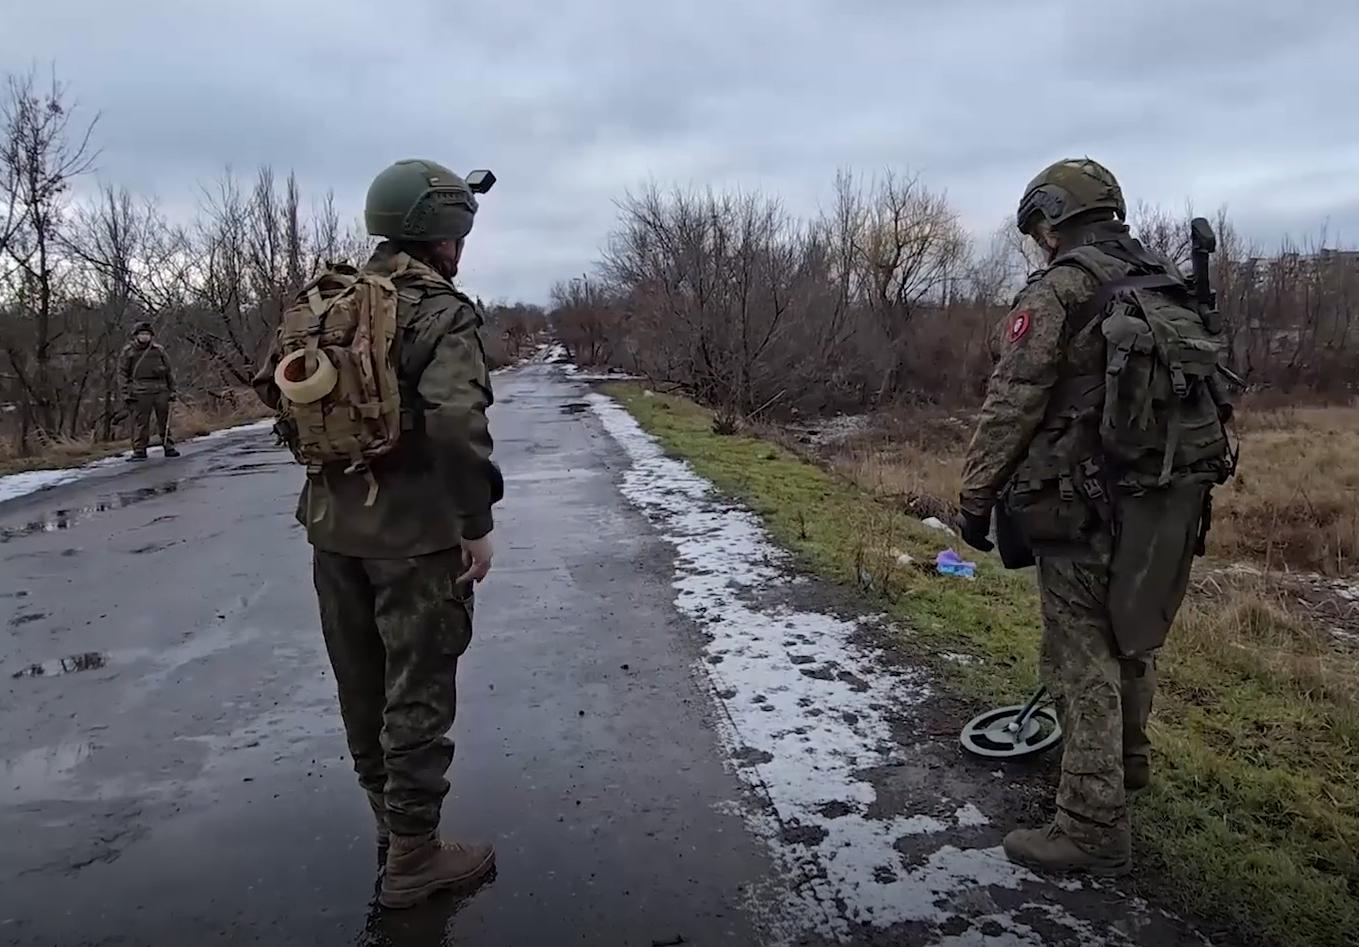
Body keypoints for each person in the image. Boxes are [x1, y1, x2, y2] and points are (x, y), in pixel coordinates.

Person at [956, 158, 1228, 876]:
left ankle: (1089, 825)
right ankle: (1125, 767)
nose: (1038, 237)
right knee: (1131, 637)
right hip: (1165, 496)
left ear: (1052, 218)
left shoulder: (1062, 289)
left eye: (1039, 224)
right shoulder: (1161, 280)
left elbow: (1011, 401)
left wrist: (973, 498)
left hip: (1081, 502)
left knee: (1080, 659)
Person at [253, 159, 503, 909]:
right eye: (459, 228)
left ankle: (390, 826)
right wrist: (475, 524)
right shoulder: (439, 310)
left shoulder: (322, 299)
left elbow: (274, 387)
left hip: (331, 530)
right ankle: (415, 857)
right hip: (415, 538)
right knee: (416, 691)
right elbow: (458, 424)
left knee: (360, 684)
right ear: (442, 236)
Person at [120, 321, 179, 460]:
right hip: (139, 391)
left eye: (147, 334)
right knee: (141, 422)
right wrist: (125, 392)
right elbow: (122, 373)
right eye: (142, 334)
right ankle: (139, 450)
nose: (145, 336)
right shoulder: (129, 351)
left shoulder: (158, 350)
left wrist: (172, 390)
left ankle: (168, 446)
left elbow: (169, 371)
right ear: (136, 335)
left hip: (160, 389)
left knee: (164, 420)